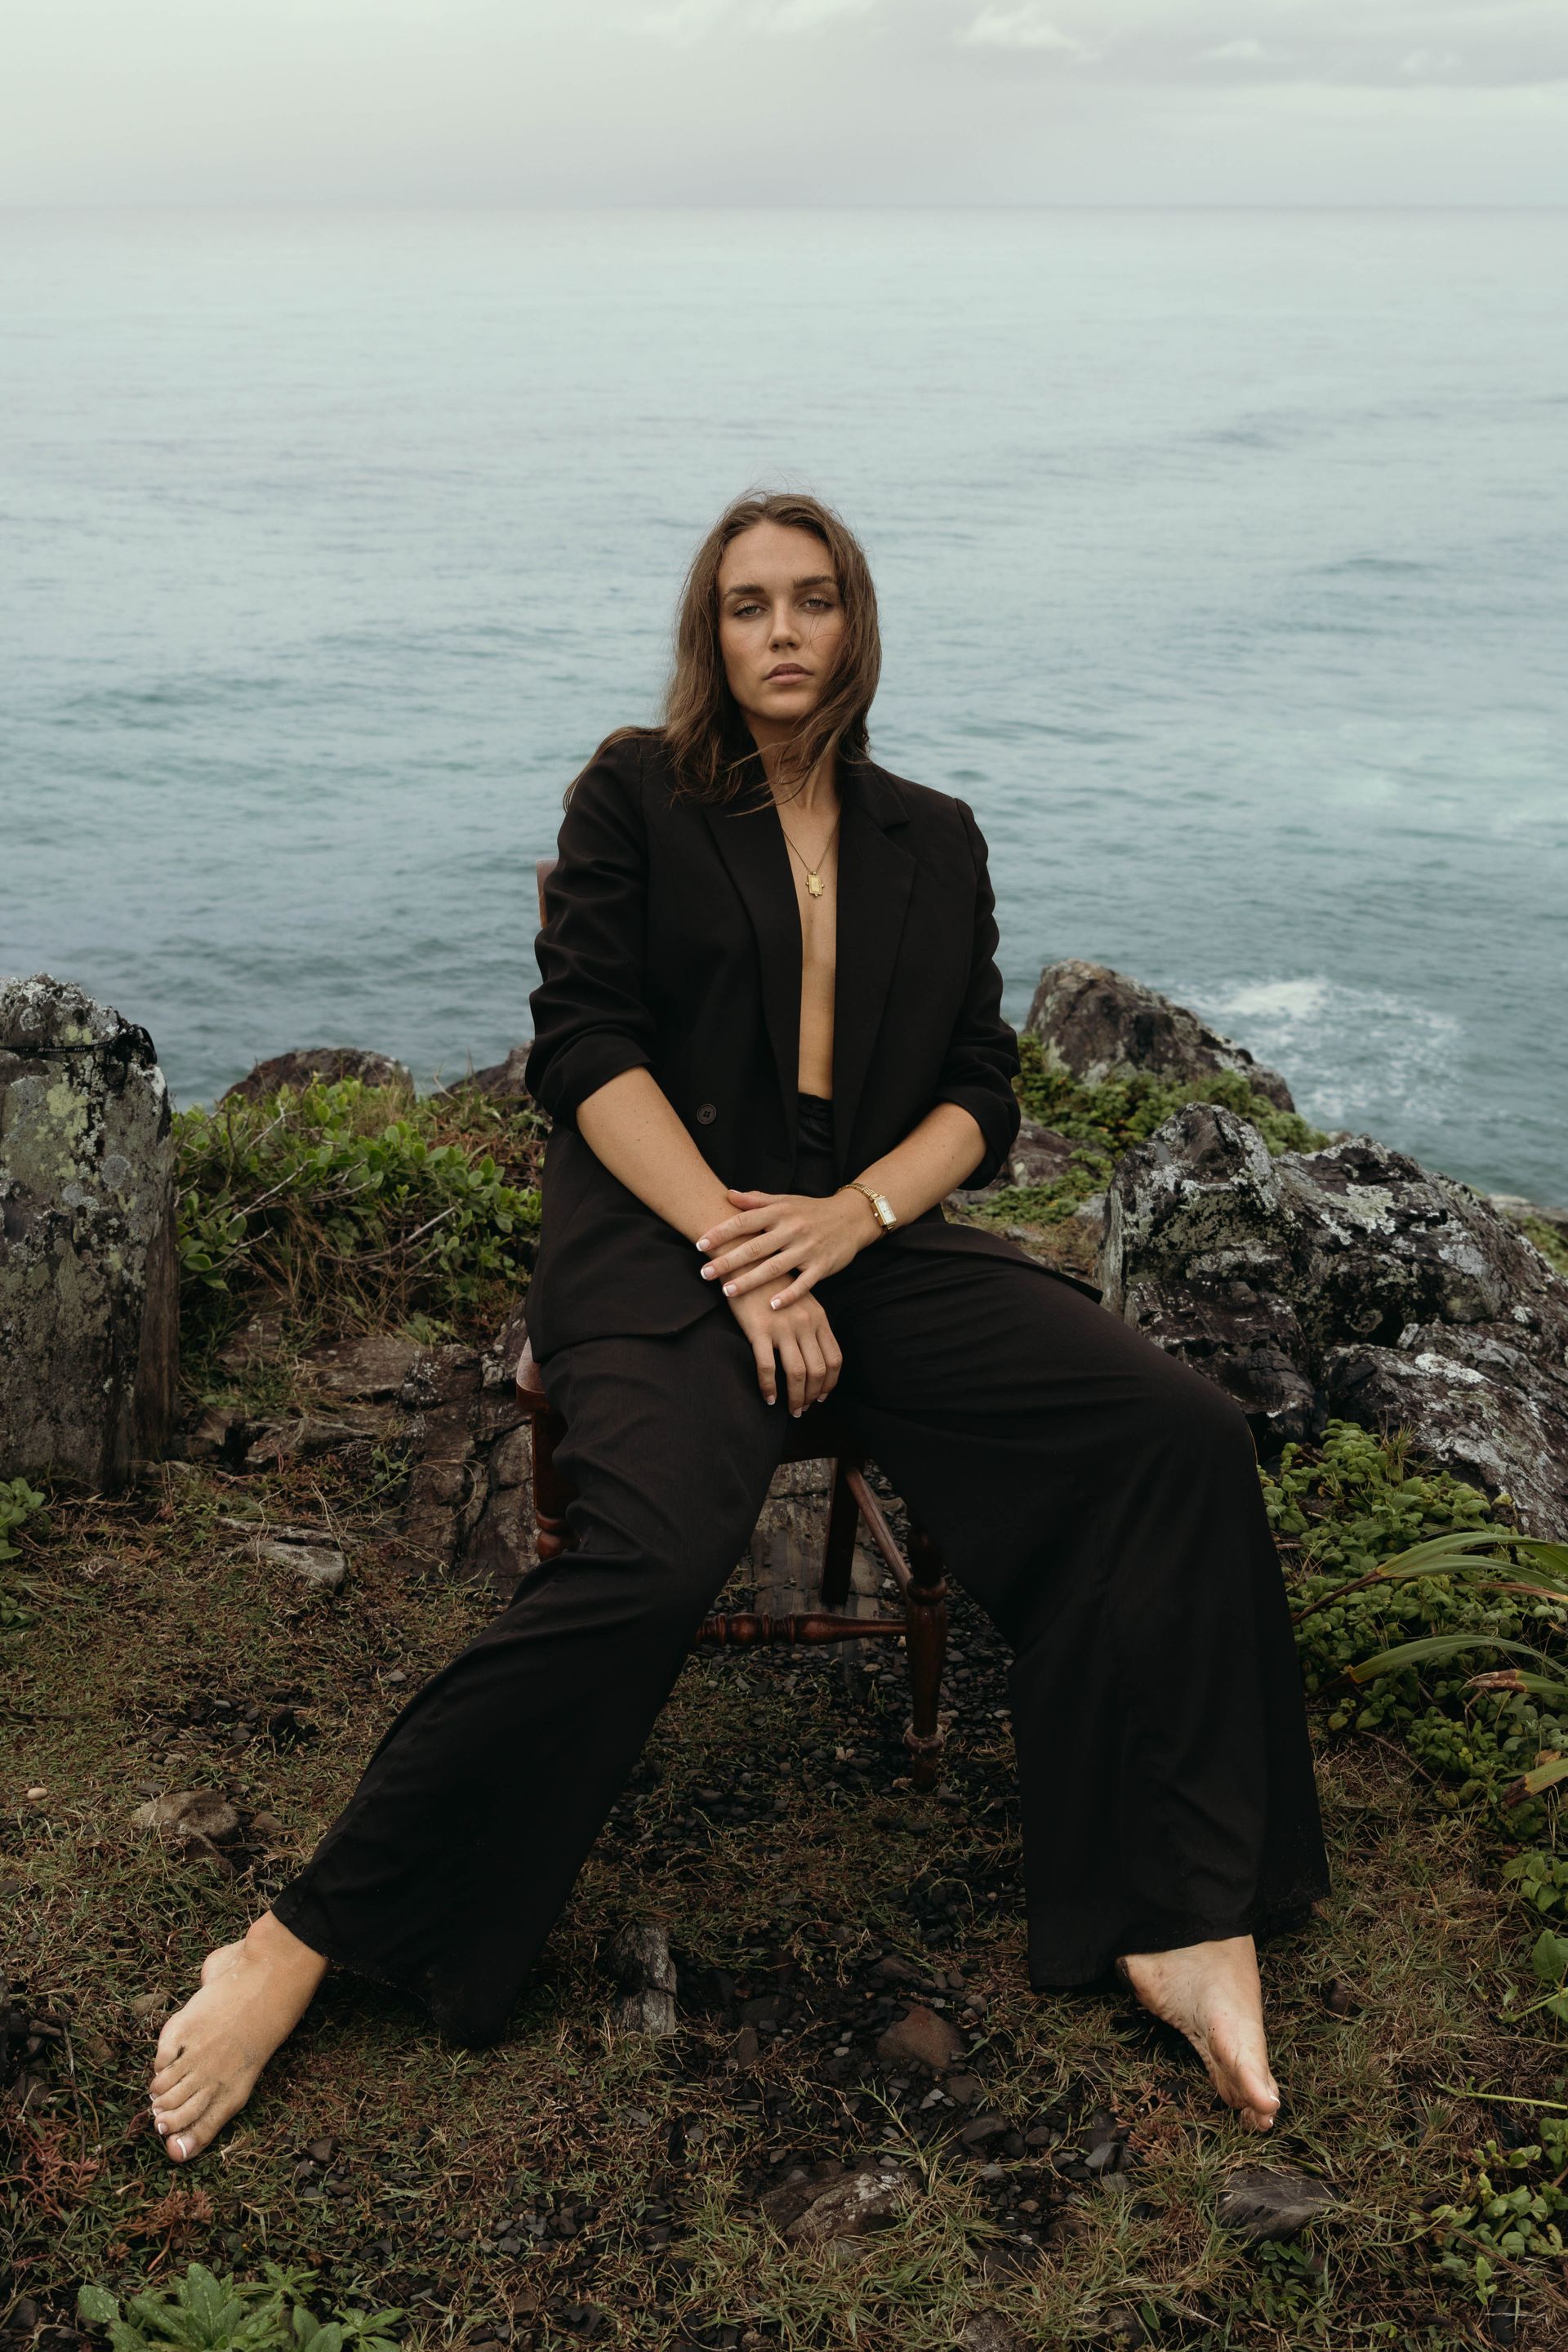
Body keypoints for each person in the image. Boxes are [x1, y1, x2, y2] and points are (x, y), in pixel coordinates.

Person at [146, 490, 1329, 2162]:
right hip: (663, 1242)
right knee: (646, 1561)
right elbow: (584, 1046)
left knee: (1175, 1434)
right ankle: (301, 1940)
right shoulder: (636, 792)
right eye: (749, 603)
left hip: (864, 1239)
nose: (783, 631)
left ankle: (1182, 1911)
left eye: (814, 599)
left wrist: (846, 1227)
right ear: (711, 632)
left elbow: (980, 1094)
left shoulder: (937, 835)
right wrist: (746, 1253)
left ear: (856, 622)